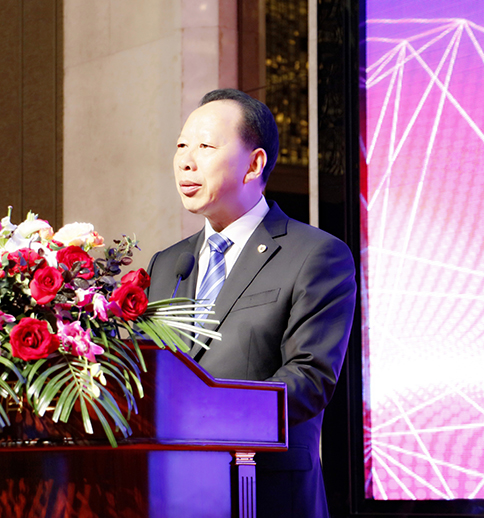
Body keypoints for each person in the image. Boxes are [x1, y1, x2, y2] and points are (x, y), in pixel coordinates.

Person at [146, 88, 357, 518]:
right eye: (182, 146)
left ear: (254, 164)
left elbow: (309, 377)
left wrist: (206, 412)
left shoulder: (315, 254)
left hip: (264, 492)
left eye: (205, 147)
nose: (186, 161)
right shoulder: (168, 264)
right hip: (174, 492)